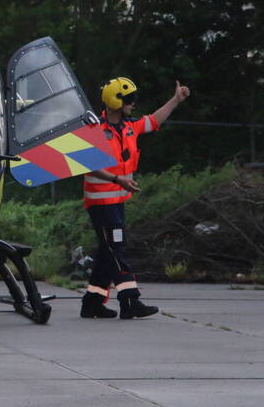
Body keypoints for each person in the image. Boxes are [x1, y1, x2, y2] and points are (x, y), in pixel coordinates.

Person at [79, 77, 190, 320]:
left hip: (117, 201)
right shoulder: (94, 129)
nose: (133, 104)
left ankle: (92, 303)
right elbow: (86, 164)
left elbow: (153, 120)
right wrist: (116, 179)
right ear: (115, 101)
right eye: (129, 100)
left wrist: (175, 100)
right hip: (101, 203)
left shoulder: (129, 126)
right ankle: (130, 301)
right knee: (115, 249)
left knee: (107, 251)